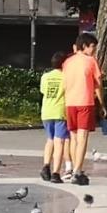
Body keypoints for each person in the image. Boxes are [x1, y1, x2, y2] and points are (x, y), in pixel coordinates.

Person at [62, 33, 106, 185]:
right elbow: (98, 84)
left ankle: (75, 168)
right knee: (83, 138)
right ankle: (77, 172)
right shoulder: (91, 61)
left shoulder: (67, 62)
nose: (94, 50)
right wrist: (102, 104)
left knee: (73, 137)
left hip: (70, 103)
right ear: (85, 46)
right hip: (85, 102)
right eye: (93, 46)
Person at [39, 52, 68, 183]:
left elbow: (43, 91)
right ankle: (56, 172)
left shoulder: (45, 76)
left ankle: (46, 166)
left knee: (50, 140)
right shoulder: (66, 76)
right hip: (60, 111)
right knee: (59, 141)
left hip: (46, 111)